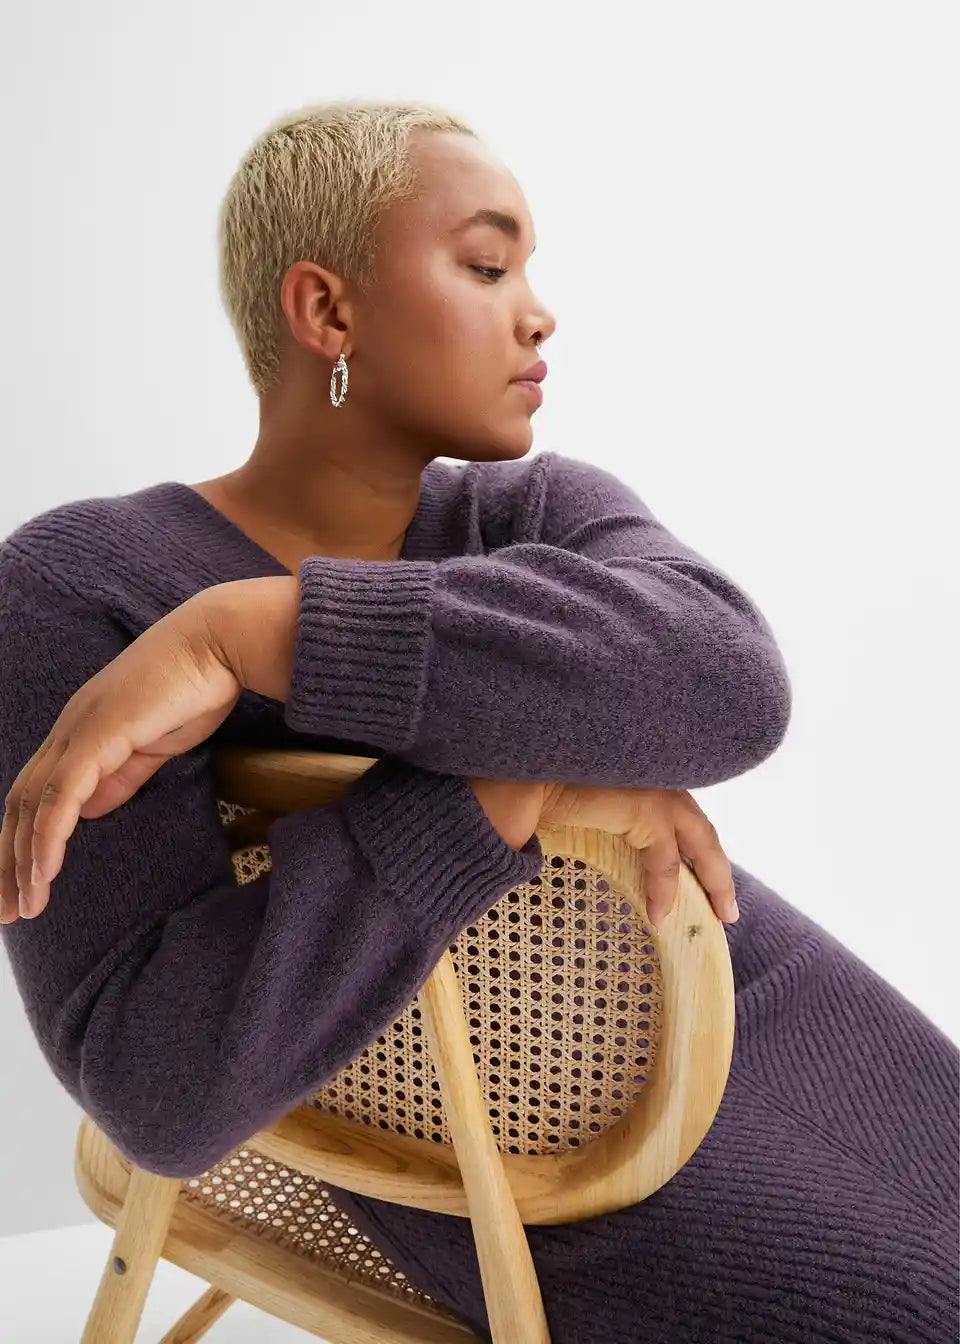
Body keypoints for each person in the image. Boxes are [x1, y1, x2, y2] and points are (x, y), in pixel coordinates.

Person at [0, 100, 956, 1343]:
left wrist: (256, 633)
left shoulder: (534, 510)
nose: (539, 313)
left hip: (755, 998)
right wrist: (512, 784)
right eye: (489, 266)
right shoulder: (82, 589)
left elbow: (731, 681)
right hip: (514, 1151)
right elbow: (156, 1082)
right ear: (328, 311)